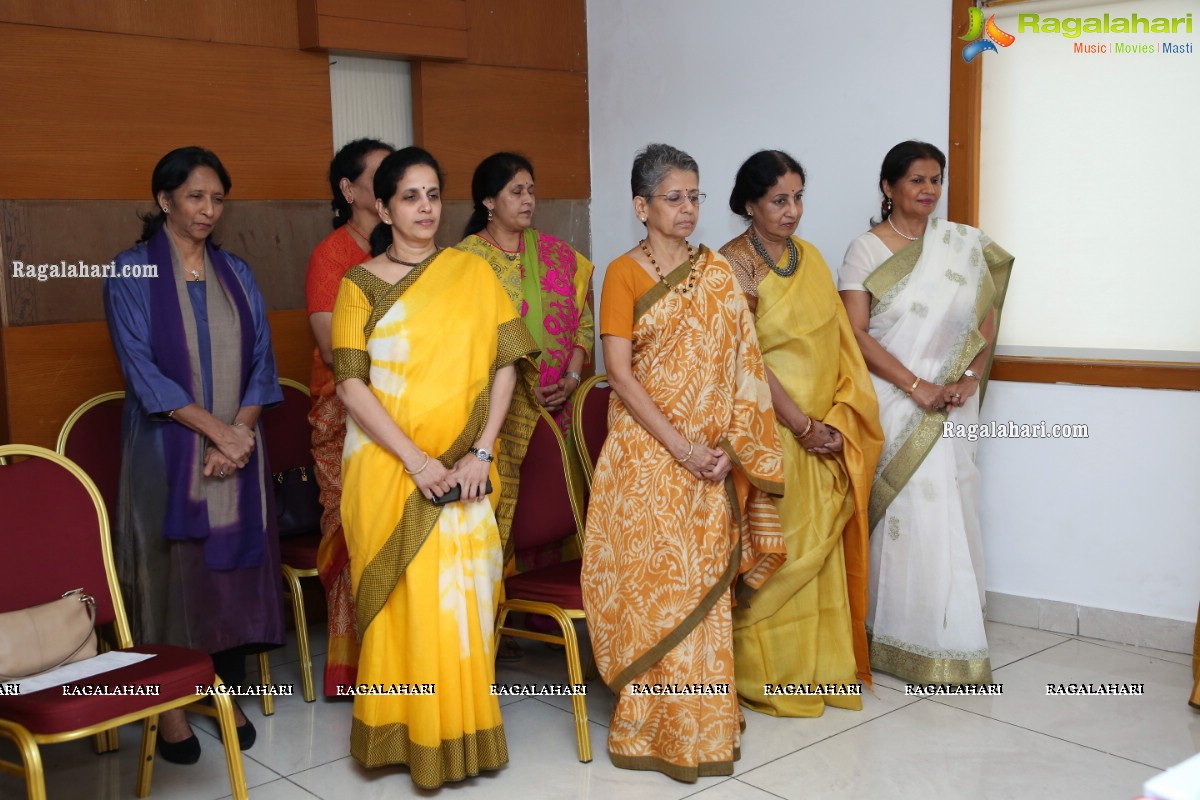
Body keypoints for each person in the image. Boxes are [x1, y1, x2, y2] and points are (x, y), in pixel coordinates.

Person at [331, 146, 537, 788]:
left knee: (461, 604)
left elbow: (505, 365)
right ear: (383, 208)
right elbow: (350, 387)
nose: (424, 208)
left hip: (468, 471)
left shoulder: (472, 273)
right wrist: (417, 461)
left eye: (432, 195)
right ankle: (403, 735)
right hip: (389, 471)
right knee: (405, 604)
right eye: (409, 197)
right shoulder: (357, 286)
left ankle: (465, 735)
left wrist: (481, 452)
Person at [581, 143, 785, 781]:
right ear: (641, 206)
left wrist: (724, 447)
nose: (688, 208)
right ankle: (654, 724)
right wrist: (682, 448)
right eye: (674, 197)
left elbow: (742, 368)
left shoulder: (718, 273)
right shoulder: (622, 273)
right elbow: (618, 372)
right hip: (649, 458)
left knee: (703, 590)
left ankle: (705, 720)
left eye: (695, 196)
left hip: (713, 458)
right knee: (656, 592)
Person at [103, 146, 285, 763]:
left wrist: (238, 435)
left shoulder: (236, 271)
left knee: (226, 578)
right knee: (169, 575)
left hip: (236, 452)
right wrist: (219, 434)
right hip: (167, 451)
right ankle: (172, 710)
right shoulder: (132, 272)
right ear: (164, 201)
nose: (208, 210)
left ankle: (221, 693)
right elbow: (143, 373)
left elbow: (263, 363)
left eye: (217, 198)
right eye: (195, 197)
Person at [837, 140, 1014, 686]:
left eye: (935, 179)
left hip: (952, 402)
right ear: (888, 188)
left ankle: (947, 634)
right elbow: (855, 335)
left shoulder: (961, 247)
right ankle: (892, 633)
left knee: (951, 507)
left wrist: (964, 379)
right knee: (904, 512)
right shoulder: (865, 250)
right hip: (893, 397)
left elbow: (984, 319)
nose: (929, 190)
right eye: (916, 180)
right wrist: (915, 386)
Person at [719, 150, 883, 716]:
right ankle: (768, 675)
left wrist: (836, 420)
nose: (792, 211)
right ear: (749, 204)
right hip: (771, 435)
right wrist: (801, 423)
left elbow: (840, 346)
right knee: (780, 554)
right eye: (778, 200)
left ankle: (819, 670)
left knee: (820, 555)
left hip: (822, 433)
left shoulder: (809, 258)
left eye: (798, 198)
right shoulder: (732, 266)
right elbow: (745, 361)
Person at [455, 152, 595, 565]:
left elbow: (582, 323)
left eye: (531, 190)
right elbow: (458, 341)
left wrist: (571, 376)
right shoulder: (465, 262)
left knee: (554, 505)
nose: (527, 199)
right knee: (507, 511)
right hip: (496, 417)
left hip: (559, 409)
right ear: (488, 201)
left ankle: (546, 611)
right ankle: (504, 608)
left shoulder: (559, 255)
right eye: (516, 191)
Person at [305, 137, 394, 696]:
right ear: (348, 189)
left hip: (409, 411)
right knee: (353, 528)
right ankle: (355, 669)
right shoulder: (333, 254)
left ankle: (400, 655)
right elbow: (335, 348)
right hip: (346, 409)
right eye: (382, 176)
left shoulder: (407, 248)